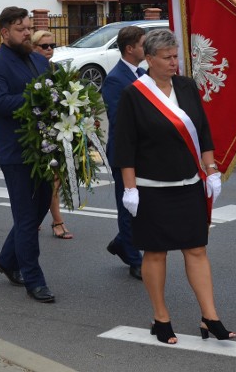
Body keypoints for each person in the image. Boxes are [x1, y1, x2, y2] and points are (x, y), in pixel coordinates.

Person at [114, 29, 235, 344]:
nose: (173, 62)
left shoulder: (186, 86)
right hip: (151, 187)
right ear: (150, 59)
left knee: (196, 248)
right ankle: (161, 317)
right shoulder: (134, 94)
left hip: (189, 183)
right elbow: (125, 146)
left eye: (175, 56)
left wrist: (210, 170)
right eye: (166, 57)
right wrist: (130, 189)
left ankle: (210, 317)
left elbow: (203, 130)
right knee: (155, 253)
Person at [0, 7, 55, 303]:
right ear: (5, 32)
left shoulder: (38, 59)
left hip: (43, 149)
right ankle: (33, 279)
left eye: (28, 27)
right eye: (21, 29)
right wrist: (37, 97)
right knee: (26, 218)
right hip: (16, 152)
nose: (27, 33)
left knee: (39, 210)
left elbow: (55, 92)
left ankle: (7, 260)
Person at [101, 25, 146, 281]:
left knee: (144, 205)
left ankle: (121, 242)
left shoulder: (141, 73)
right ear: (130, 49)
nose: (146, 48)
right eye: (143, 44)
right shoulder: (116, 79)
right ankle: (133, 258)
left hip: (144, 153)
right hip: (125, 153)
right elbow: (119, 120)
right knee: (128, 206)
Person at [30, 30, 73, 240]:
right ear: (33, 47)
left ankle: (50, 219)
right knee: (43, 178)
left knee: (54, 177)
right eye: (44, 46)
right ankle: (55, 220)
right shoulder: (30, 69)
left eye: (52, 45)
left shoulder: (55, 69)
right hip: (36, 131)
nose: (49, 49)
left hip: (56, 128)